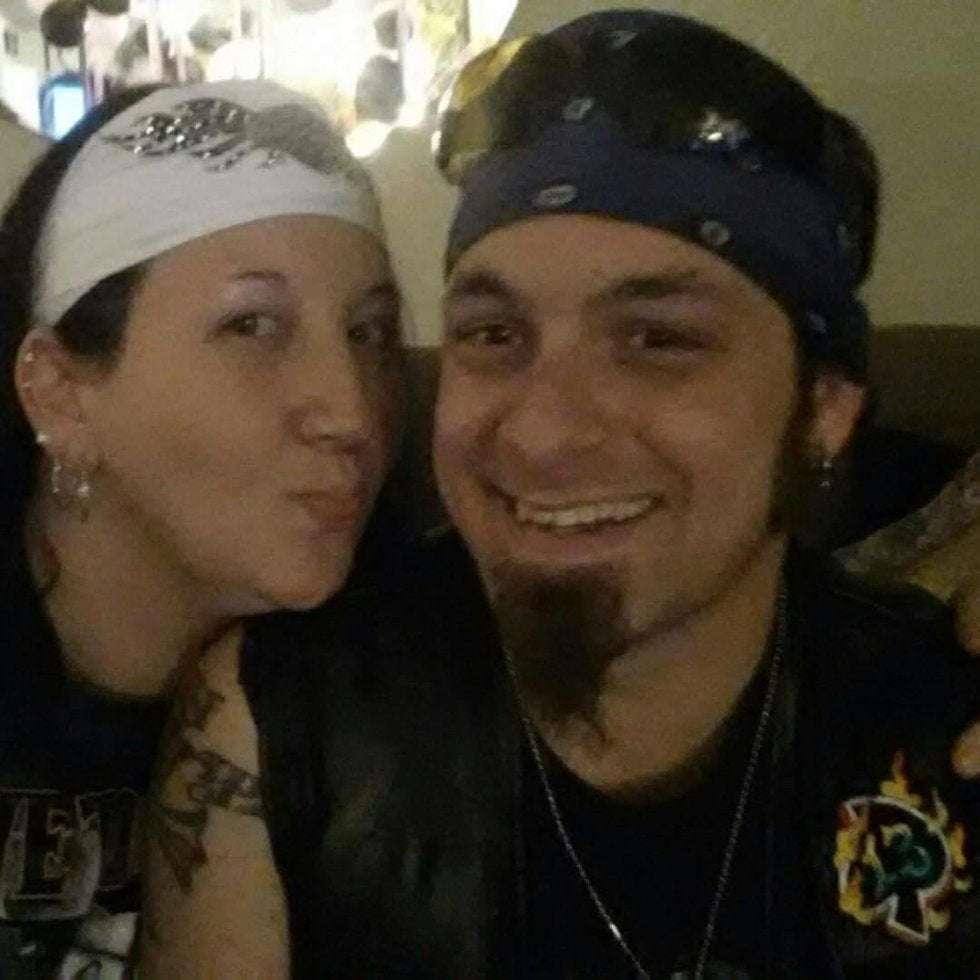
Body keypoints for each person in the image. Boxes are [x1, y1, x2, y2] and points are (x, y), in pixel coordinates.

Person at [143, 10, 980, 978]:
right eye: (494, 336)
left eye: (658, 340)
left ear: (823, 410)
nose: (541, 433)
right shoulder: (287, 718)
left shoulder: (941, 725)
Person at [0, 79, 403, 976]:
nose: (351, 412)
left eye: (371, 332)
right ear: (60, 393)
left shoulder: (401, 700)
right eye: (253, 325)